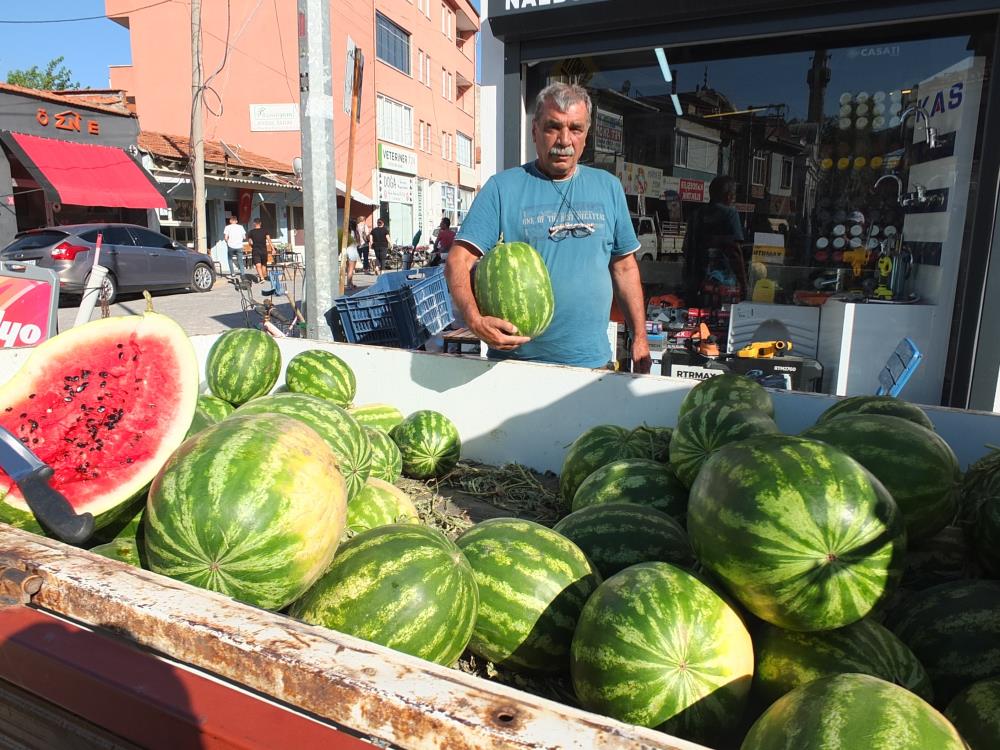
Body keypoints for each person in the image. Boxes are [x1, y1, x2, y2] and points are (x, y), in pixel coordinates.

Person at [445, 82, 650, 372]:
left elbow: (625, 268)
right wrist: (475, 321)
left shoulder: (608, 187)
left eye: (575, 129)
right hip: (517, 365)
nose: (564, 140)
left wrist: (640, 336)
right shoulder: (503, 188)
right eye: (553, 127)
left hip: (592, 364)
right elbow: (458, 260)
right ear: (535, 131)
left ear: (586, 135)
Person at [682, 175, 746, 305]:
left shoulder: (696, 214)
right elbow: (735, 253)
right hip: (722, 287)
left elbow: (686, 248)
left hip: (694, 285)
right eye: (733, 195)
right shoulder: (730, 214)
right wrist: (744, 284)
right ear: (729, 196)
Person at [246, 218, 273, 282]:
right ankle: (263, 277)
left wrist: (251, 244)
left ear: (254, 224)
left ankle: (262, 277)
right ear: (260, 223)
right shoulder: (265, 231)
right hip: (263, 250)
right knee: (263, 264)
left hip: (255, 250)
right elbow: (269, 240)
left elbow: (250, 242)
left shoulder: (251, 232)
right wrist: (273, 248)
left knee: (258, 264)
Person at [345, 219, 361, 290]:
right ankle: (349, 284)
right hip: (353, 251)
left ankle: (350, 283)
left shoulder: (346, 232)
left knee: (348, 268)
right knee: (351, 269)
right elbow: (358, 242)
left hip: (346, 250)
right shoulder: (355, 232)